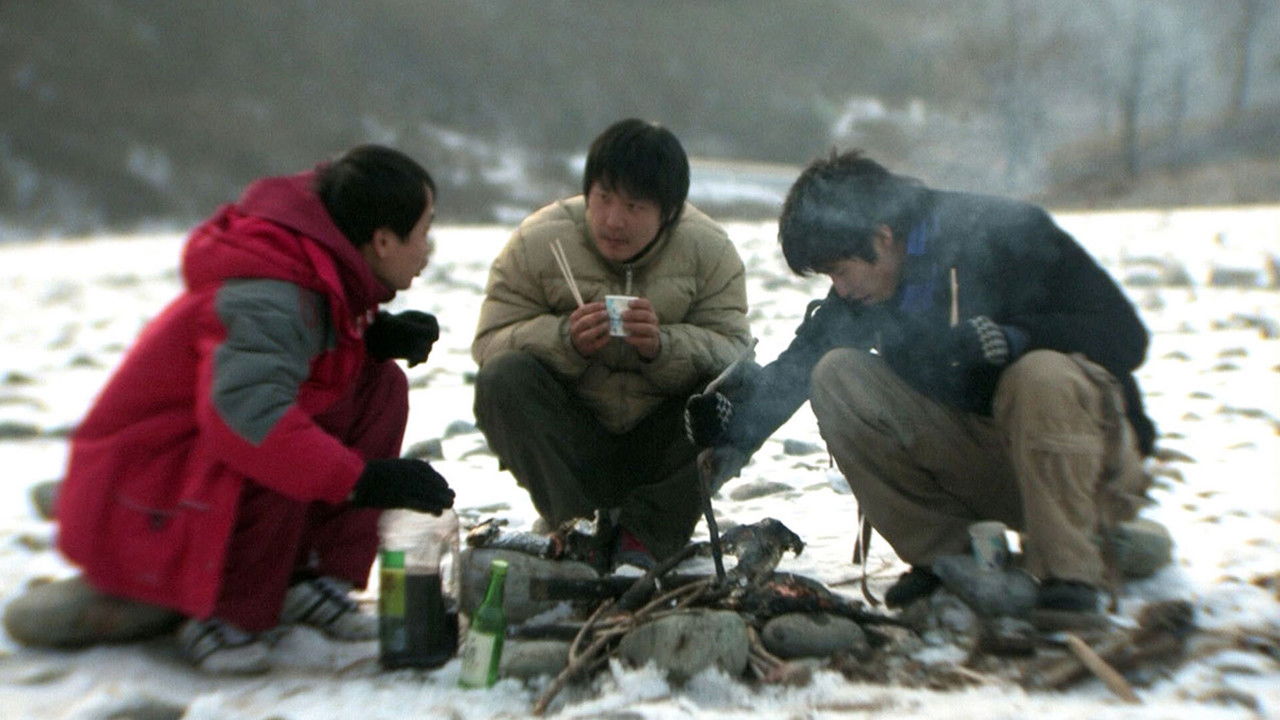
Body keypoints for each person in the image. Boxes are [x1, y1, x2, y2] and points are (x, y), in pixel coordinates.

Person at [685, 150, 1156, 613]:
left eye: (839, 271)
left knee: (1039, 374)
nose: (840, 287)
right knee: (836, 376)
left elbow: (1126, 337)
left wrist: (1018, 339)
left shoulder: (1009, 232)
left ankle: (1069, 573)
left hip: (1086, 471)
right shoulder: (870, 284)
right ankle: (950, 560)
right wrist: (733, 428)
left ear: (883, 237)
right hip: (993, 468)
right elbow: (800, 366)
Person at [53, 145, 456, 673]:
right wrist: (363, 480)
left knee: (378, 385)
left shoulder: (308, 275)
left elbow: (295, 357)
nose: (427, 249)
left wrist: (365, 338)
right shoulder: (271, 293)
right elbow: (250, 422)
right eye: (423, 231)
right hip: (136, 496)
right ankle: (222, 610)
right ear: (382, 241)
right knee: (282, 432)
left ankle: (306, 578)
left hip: (177, 481)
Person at [471, 118, 751, 568]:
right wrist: (565, 340)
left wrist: (662, 346)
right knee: (503, 376)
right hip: (573, 447)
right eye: (602, 198)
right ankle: (578, 529)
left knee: (745, 391)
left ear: (670, 211)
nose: (613, 221)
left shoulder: (710, 250)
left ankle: (647, 536)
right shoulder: (538, 242)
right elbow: (488, 343)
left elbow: (734, 352)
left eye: (635, 206)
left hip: (663, 448)